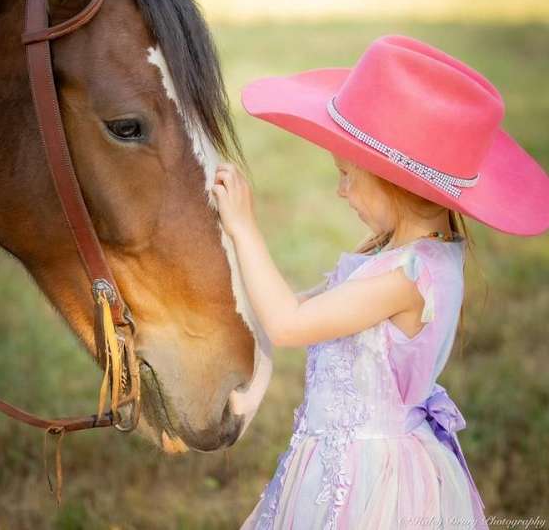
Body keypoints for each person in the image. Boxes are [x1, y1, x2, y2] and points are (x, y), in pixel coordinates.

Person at [210, 34, 549, 530]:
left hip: (369, 484)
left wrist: (245, 227)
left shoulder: (407, 277)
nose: (340, 189)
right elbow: (292, 307)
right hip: (335, 461)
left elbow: (288, 323)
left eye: (347, 173)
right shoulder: (398, 256)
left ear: (397, 182)